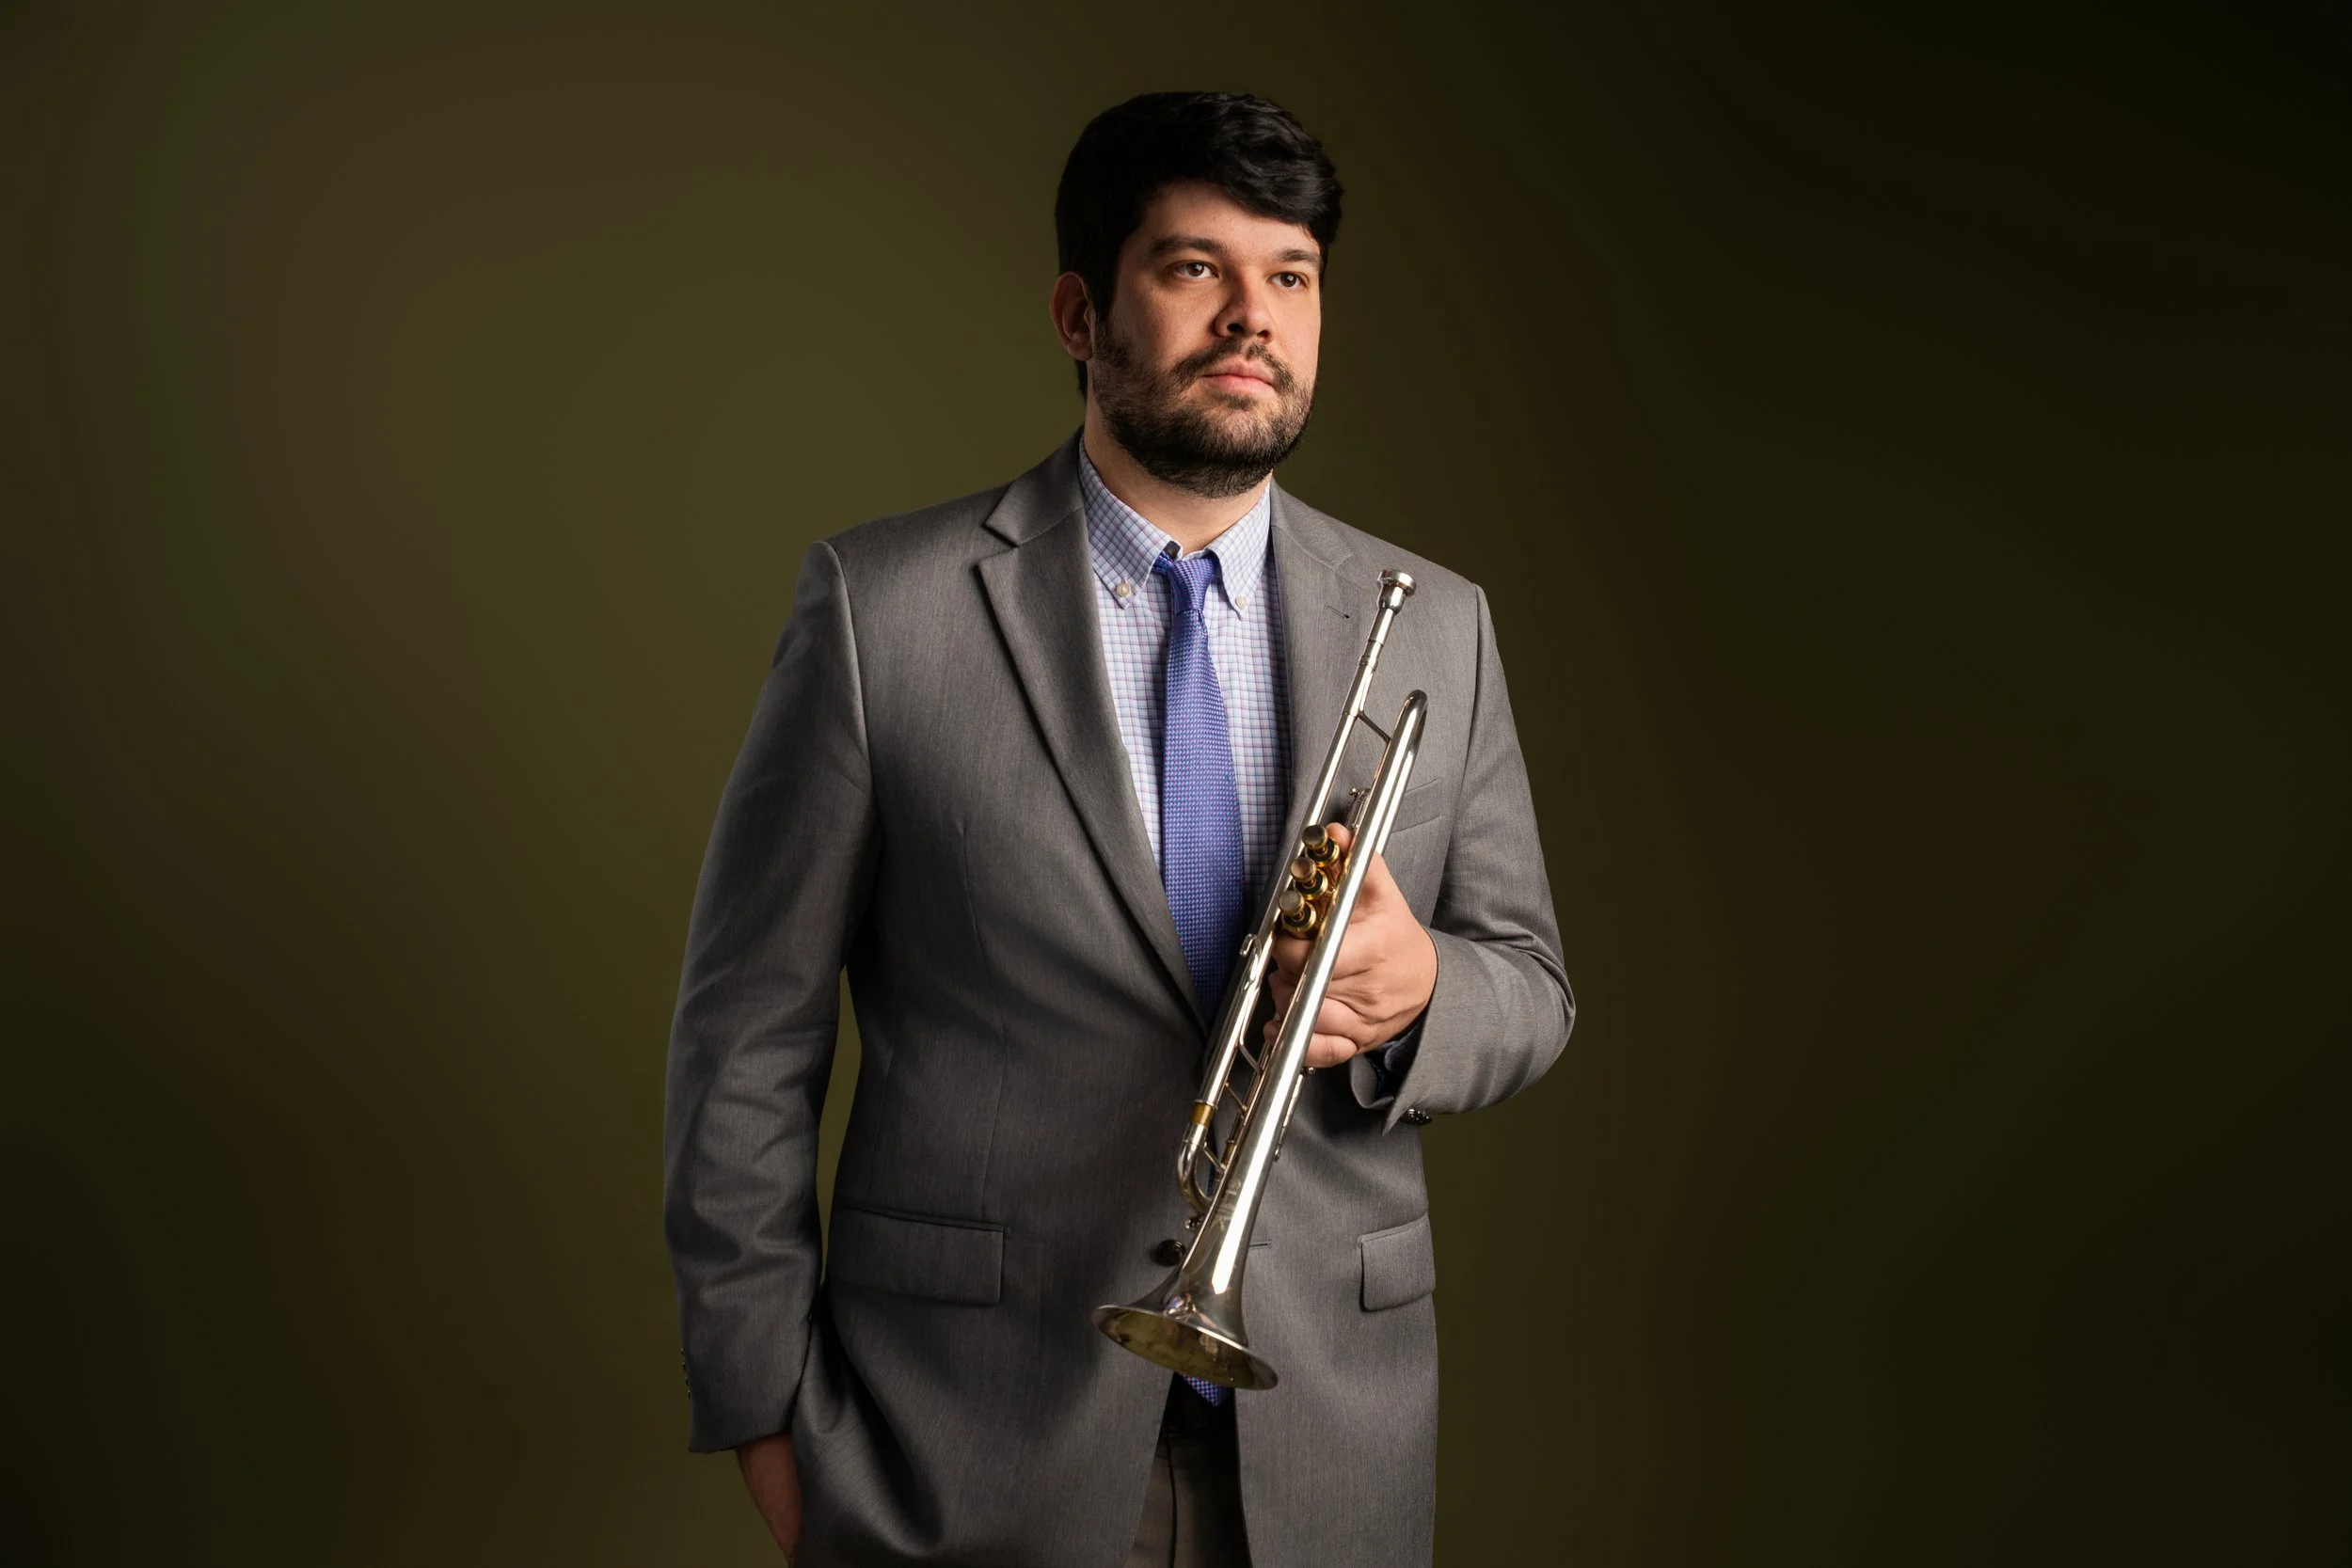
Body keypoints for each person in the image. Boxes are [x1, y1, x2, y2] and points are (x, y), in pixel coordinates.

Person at [664, 91, 1573, 1568]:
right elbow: (743, 1041)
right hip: (962, 1439)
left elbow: (1530, 982)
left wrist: (1425, 994)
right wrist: (768, 1419)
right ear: (1081, 315)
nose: (1253, 317)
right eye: (1194, 267)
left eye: (1291, 275)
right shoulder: (880, 613)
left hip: (1330, 1443)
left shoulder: (1436, 625)